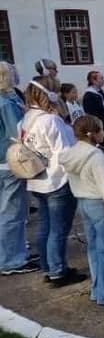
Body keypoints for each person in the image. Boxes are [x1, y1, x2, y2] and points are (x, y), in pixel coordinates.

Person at [21, 77, 87, 287]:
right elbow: (64, 152)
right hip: (56, 180)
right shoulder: (50, 120)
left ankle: (49, 267)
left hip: (38, 179)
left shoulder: (25, 119)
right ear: (49, 94)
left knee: (45, 226)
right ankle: (58, 270)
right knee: (58, 229)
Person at [59, 115, 104, 305]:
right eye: (101, 129)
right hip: (100, 205)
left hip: (84, 202)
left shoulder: (72, 153)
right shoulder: (97, 159)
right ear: (93, 134)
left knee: (94, 248)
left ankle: (98, 288)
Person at [0, 62, 38, 275]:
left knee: (8, 212)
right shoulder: (6, 103)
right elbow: (18, 133)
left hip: (3, 163)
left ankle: (13, 251)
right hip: (9, 163)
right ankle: (11, 259)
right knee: (12, 213)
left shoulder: (9, 99)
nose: (16, 73)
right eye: (12, 71)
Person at [83, 71, 104, 151]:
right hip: (99, 126)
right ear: (93, 80)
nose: (103, 80)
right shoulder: (90, 95)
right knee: (99, 147)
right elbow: (91, 113)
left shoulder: (102, 93)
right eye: (101, 78)